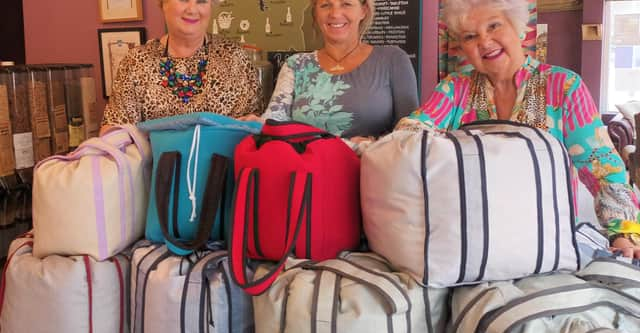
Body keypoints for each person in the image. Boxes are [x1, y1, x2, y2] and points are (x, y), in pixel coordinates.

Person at [396, 0, 640, 258]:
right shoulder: (455, 88)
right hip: (469, 233)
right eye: (470, 36)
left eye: (494, 26)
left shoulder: (563, 86)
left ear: (518, 29)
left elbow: (602, 167)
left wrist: (624, 234)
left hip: (546, 235)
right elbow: (412, 132)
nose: (484, 41)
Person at [242, 0, 419, 143]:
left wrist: (372, 144)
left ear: (363, 10)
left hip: (371, 175)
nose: (335, 13)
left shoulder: (393, 59)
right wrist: (255, 124)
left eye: (346, 4)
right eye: (325, 5)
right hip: (309, 178)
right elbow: (274, 121)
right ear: (315, 13)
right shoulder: (296, 65)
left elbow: (411, 133)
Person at [101, 0, 261, 134]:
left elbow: (251, 130)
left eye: (202, 1)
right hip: (154, 169)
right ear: (163, 3)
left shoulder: (234, 58)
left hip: (220, 168)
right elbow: (113, 130)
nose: (192, 9)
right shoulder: (136, 62)